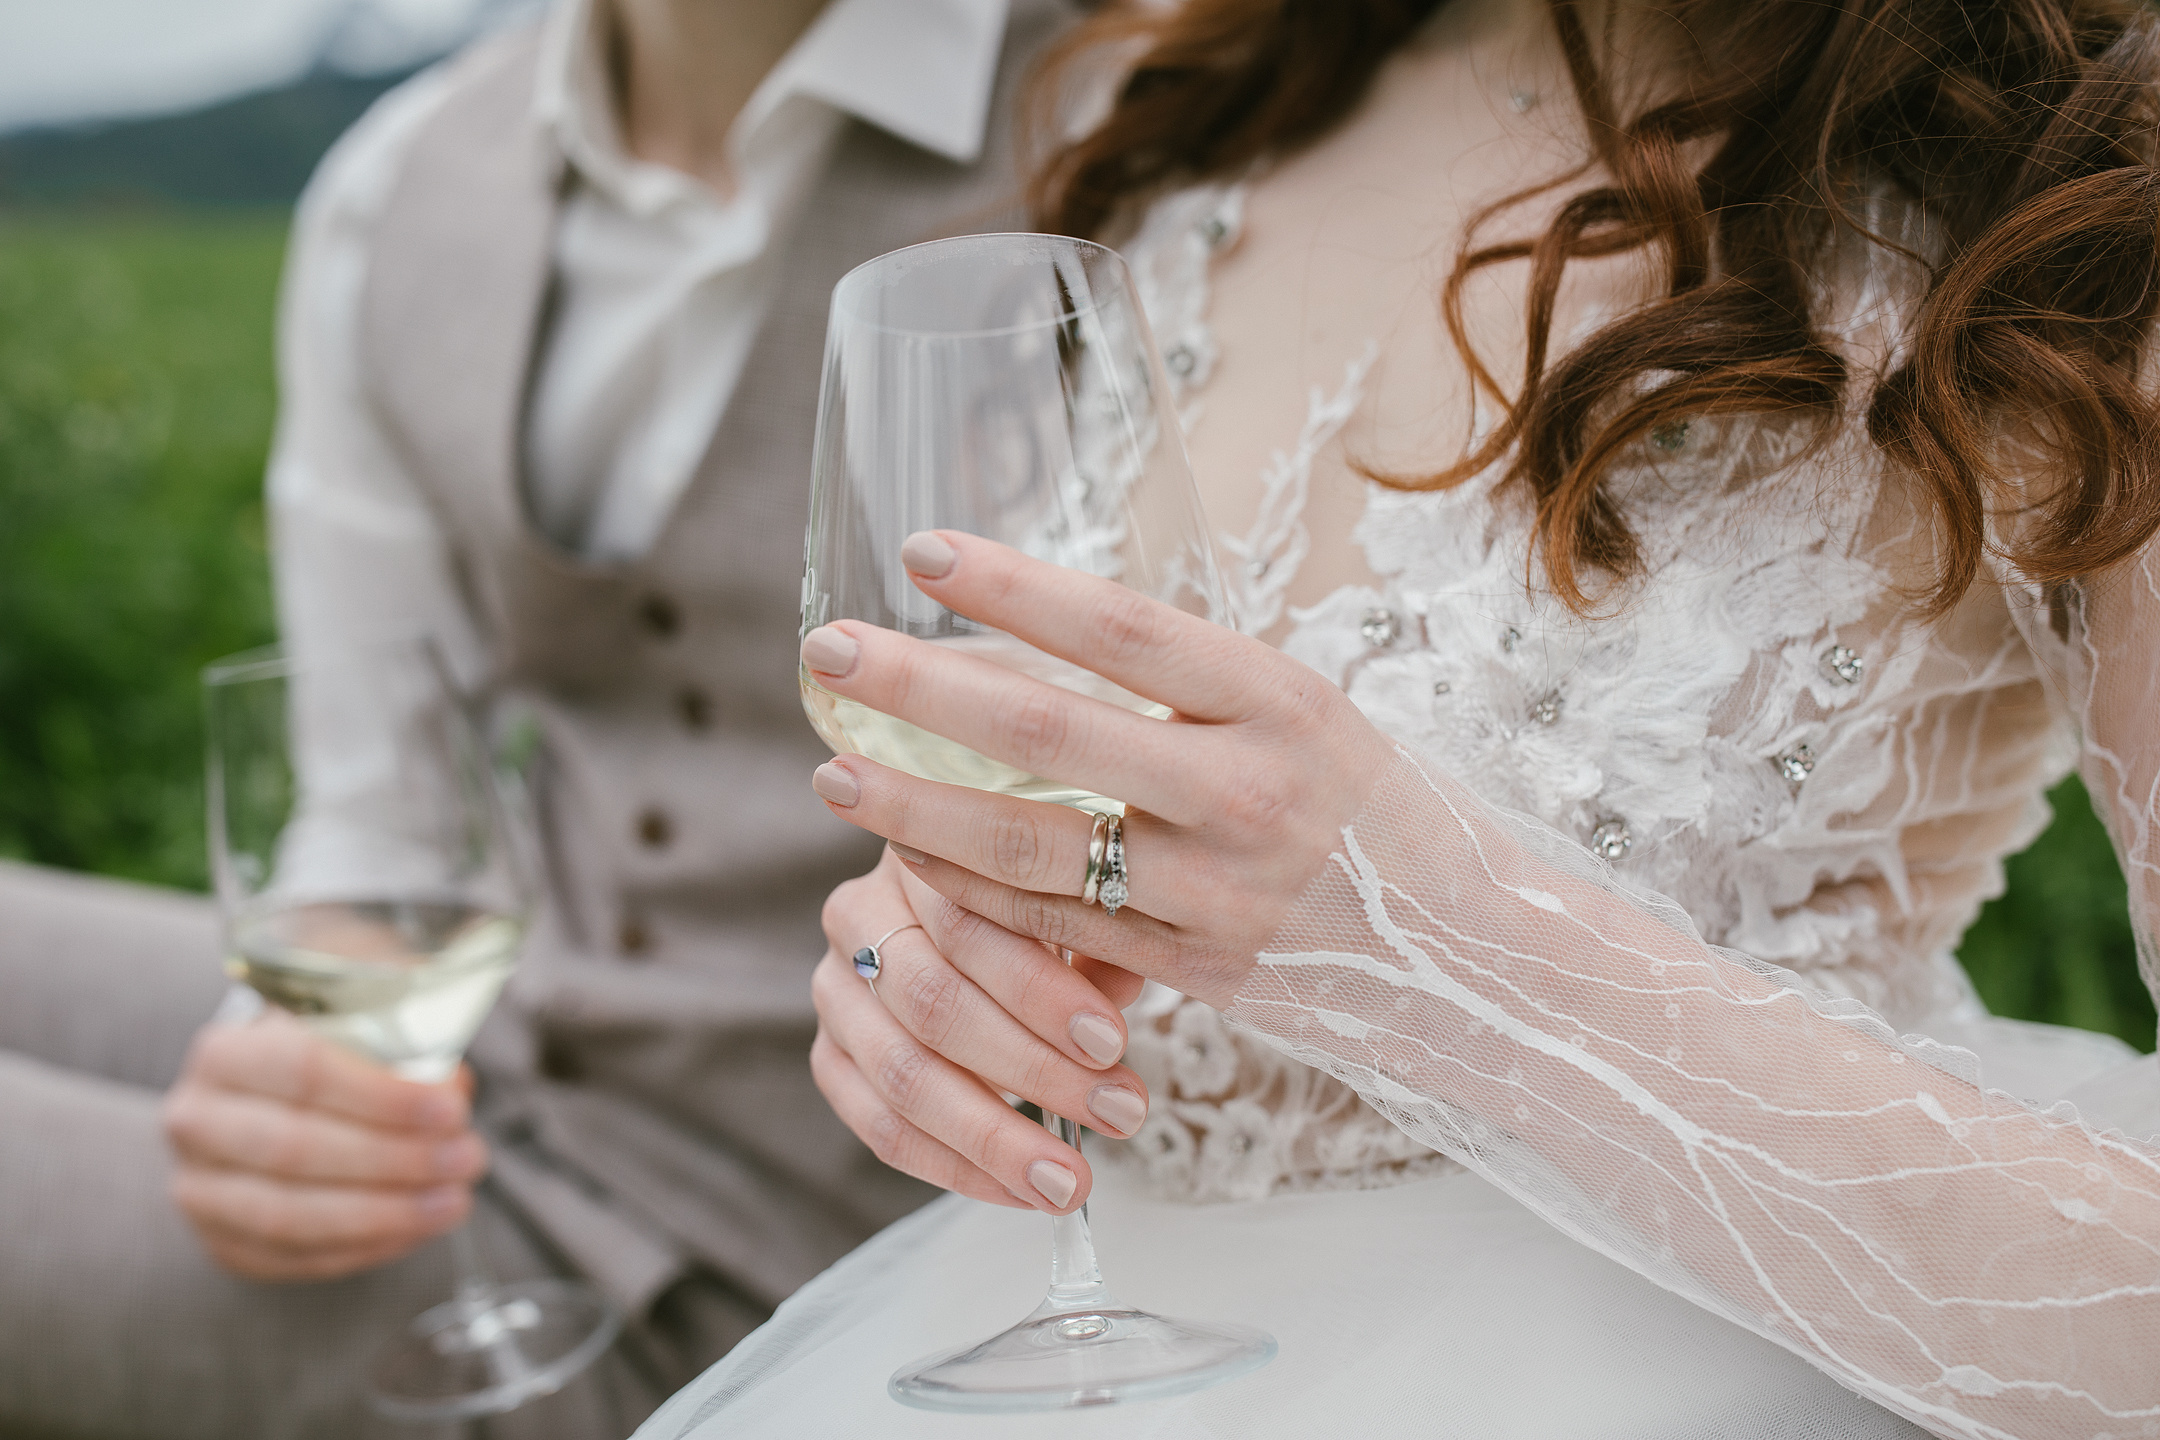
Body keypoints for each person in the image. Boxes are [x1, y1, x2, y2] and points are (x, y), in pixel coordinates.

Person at [638, 0, 2160, 1435]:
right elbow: (1104, 789)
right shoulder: (1211, 107)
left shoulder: (2074, 192)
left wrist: (1441, 951)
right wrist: (933, 974)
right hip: (1086, 1346)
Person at [0, 0, 1081, 1435]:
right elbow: (380, 813)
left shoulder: (1126, 121)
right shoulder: (398, 187)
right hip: (494, 1054)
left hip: (775, 1250)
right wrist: (292, 1064)